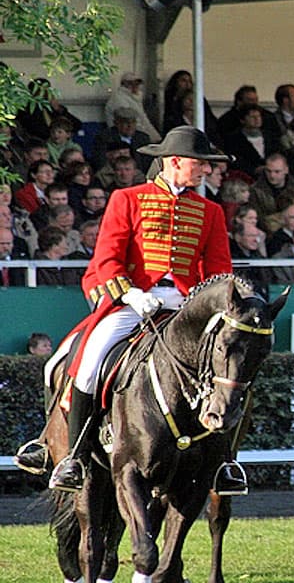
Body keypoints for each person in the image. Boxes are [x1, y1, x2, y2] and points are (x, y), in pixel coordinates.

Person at [14, 127, 245, 495]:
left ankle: (225, 463)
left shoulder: (210, 211)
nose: (206, 171)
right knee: (86, 362)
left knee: (232, 365)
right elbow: (107, 258)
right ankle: (72, 455)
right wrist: (132, 295)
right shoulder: (128, 199)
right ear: (174, 162)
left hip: (188, 305)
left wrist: (216, 306)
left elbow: (218, 271)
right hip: (135, 299)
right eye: (199, 164)